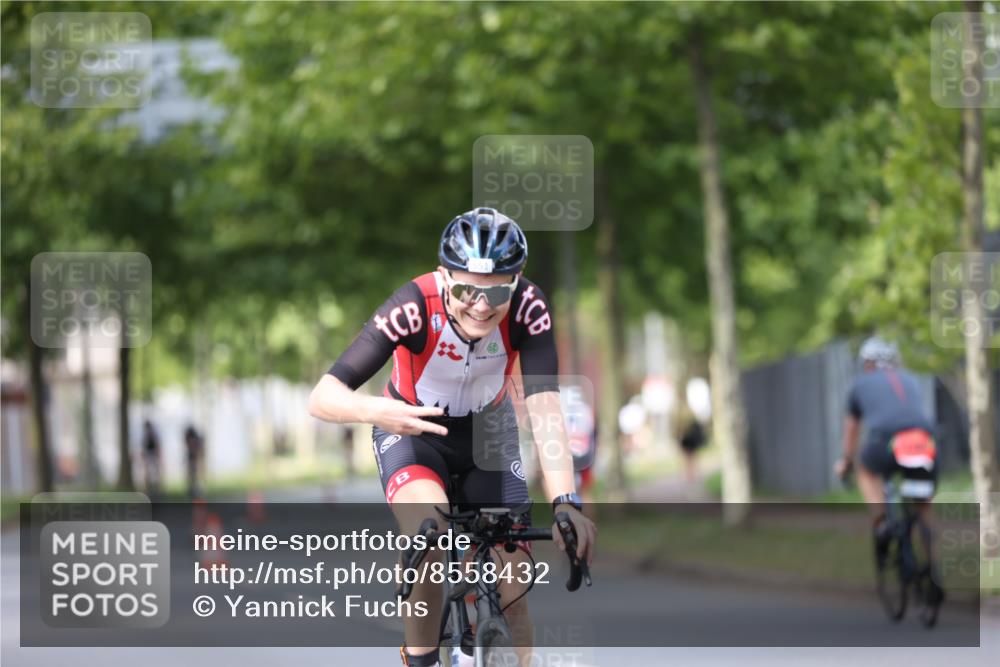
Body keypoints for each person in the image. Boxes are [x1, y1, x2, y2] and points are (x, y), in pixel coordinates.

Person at [308, 207, 596, 667]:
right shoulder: (413, 307)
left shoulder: (530, 308)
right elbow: (323, 396)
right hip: (414, 429)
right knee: (429, 534)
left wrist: (566, 501)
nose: (481, 305)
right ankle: (422, 658)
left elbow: (544, 407)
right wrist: (375, 411)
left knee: (514, 588)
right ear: (444, 278)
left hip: (489, 432)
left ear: (516, 282)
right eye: (466, 290)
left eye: (497, 291)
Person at [834, 337, 937, 560]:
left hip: (885, 442)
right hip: (923, 441)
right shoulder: (911, 379)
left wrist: (846, 460)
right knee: (923, 502)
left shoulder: (860, 385)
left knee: (866, 471)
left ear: (867, 363)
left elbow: (852, 429)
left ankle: (881, 522)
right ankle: (932, 562)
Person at [141, 419, 162, 495]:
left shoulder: (152, 434)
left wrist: (158, 455)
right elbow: (144, 447)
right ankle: (149, 490)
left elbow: (157, 445)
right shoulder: (146, 435)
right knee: (148, 473)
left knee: (154, 473)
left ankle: (155, 489)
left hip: (153, 455)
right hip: (149, 455)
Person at [184, 424, 204, 499]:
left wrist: (197, 461)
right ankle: (191, 489)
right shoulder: (188, 440)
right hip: (191, 456)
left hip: (196, 456)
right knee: (190, 473)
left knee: (196, 473)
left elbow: (199, 453)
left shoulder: (197, 442)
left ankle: (198, 489)